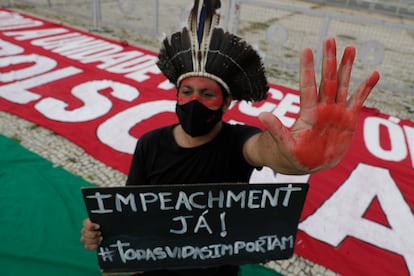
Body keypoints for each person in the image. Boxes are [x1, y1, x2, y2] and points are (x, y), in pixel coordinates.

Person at [80, 0, 380, 275]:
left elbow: (265, 150)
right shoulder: (149, 143)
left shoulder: (239, 142)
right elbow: (131, 210)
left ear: (225, 103)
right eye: (186, 92)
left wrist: (298, 159)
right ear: (175, 94)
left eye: (207, 94)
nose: (194, 101)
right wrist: (105, 234)